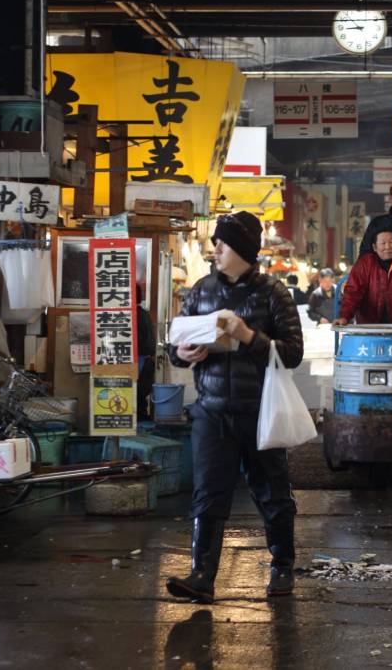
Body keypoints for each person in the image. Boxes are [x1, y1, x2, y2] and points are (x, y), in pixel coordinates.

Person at [166, 211, 304, 603]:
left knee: (272, 493)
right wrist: (182, 353)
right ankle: (202, 575)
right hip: (211, 409)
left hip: (260, 409)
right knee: (208, 493)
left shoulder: (273, 293)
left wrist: (247, 336)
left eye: (222, 244)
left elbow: (292, 354)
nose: (215, 250)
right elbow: (178, 347)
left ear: (242, 249)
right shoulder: (201, 290)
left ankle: (281, 567)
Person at [335, 227, 392, 327]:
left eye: (391, 242)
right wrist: (344, 317)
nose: (388, 246)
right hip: (369, 327)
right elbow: (353, 292)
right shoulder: (364, 264)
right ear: (374, 247)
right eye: (383, 243)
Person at [135, 284, 156, 421]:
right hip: (146, 362)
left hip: (140, 361)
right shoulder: (143, 313)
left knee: (135, 398)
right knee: (140, 399)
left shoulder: (133, 315)